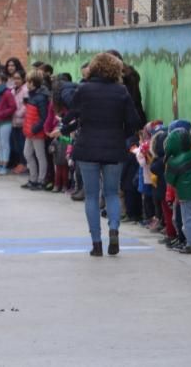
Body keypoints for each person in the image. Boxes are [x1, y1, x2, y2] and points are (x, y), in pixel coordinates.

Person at [66, 52, 142, 257]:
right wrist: (121, 134)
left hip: (87, 147)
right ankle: (114, 229)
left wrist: (72, 126)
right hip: (114, 148)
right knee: (111, 193)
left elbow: (70, 115)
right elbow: (134, 121)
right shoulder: (121, 91)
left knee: (91, 195)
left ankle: (97, 243)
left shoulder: (83, 89)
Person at [21, 70, 49, 191]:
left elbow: (44, 117)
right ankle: (33, 179)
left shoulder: (41, 98)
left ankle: (41, 180)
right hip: (30, 132)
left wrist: (34, 128)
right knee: (27, 154)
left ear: (32, 82)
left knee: (40, 156)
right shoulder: (33, 96)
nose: (26, 83)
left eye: (28, 81)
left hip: (36, 132)